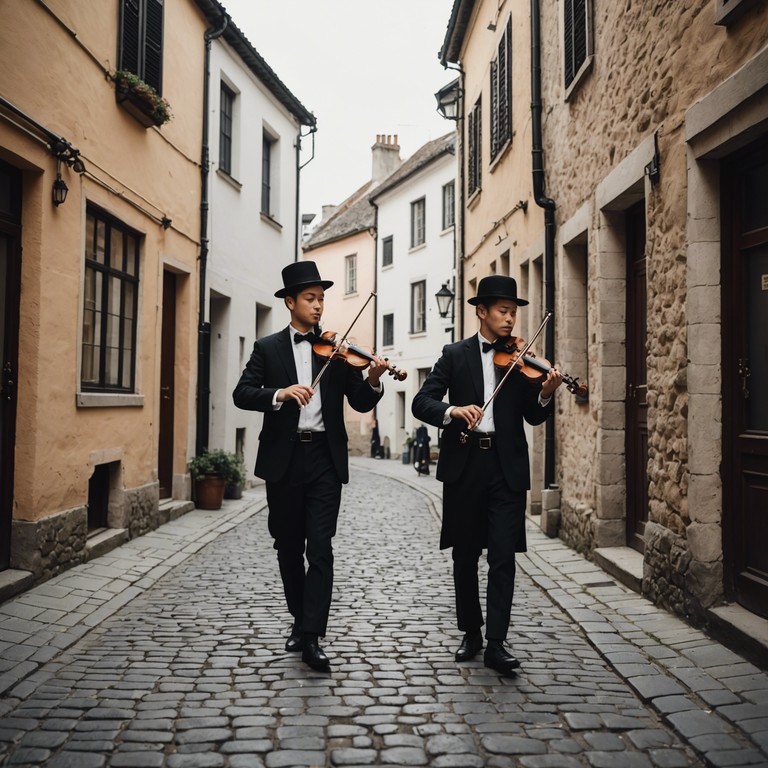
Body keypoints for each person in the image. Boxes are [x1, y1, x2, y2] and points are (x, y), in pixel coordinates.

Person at [233, 261, 388, 671]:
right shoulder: (268, 348)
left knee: (320, 547)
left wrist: (373, 378)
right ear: (290, 302)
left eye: (322, 299)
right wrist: (280, 393)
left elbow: (361, 400)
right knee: (288, 546)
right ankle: (300, 621)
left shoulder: (338, 353)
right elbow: (242, 393)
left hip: (324, 457)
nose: (318, 306)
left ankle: (313, 635)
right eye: (310, 298)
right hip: (284, 459)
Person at [411, 275, 563, 675]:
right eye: (503, 311)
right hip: (465, 465)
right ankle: (471, 632)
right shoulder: (455, 354)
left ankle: (497, 642)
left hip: (506, 466)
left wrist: (547, 391)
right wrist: (452, 412)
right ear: (481, 311)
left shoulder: (523, 359)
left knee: (502, 557)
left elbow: (533, 414)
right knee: (465, 554)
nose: (510, 319)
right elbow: (421, 401)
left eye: (513, 312)